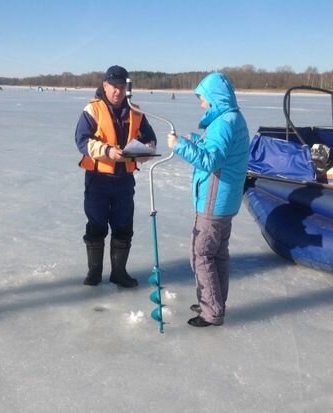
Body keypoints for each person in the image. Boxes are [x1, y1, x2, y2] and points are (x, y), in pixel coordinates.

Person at [167, 72, 249, 327]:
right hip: (224, 202)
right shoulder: (231, 119)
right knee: (217, 254)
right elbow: (214, 149)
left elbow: (211, 160)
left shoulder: (225, 122)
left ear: (214, 98)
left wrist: (179, 145)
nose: (201, 103)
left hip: (214, 203)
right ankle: (213, 301)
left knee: (201, 255)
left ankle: (212, 311)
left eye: (202, 98)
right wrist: (192, 140)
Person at [75, 65, 157, 288]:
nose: (117, 91)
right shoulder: (93, 110)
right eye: (113, 86)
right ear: (105, 85)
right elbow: (82, 141)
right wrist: (107, 151)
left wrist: (145, 151)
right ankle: (94, 273)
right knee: (96, 225)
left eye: (121, 87)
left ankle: (119, 273)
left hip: (124, 181)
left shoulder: (136, 112)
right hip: (97, 179)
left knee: (123, 226)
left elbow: (150, 139)